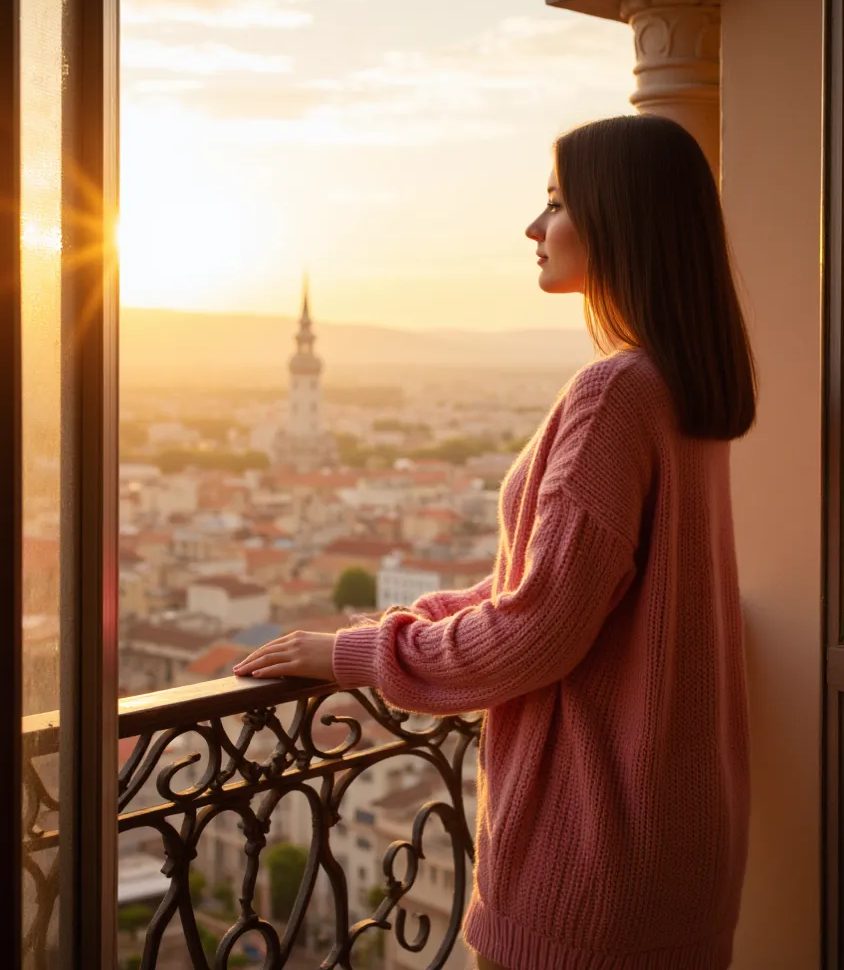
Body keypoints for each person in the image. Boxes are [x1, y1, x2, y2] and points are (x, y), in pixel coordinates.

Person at [234, 114, 755, 970]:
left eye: (555, 202)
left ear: (621, 218)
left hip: (592, 864)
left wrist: (360, 654)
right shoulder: (685, 387)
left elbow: (532, 631)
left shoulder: (615, 394)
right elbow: (553, 590)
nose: (532, 227)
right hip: (680, 841)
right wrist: (402, 624)